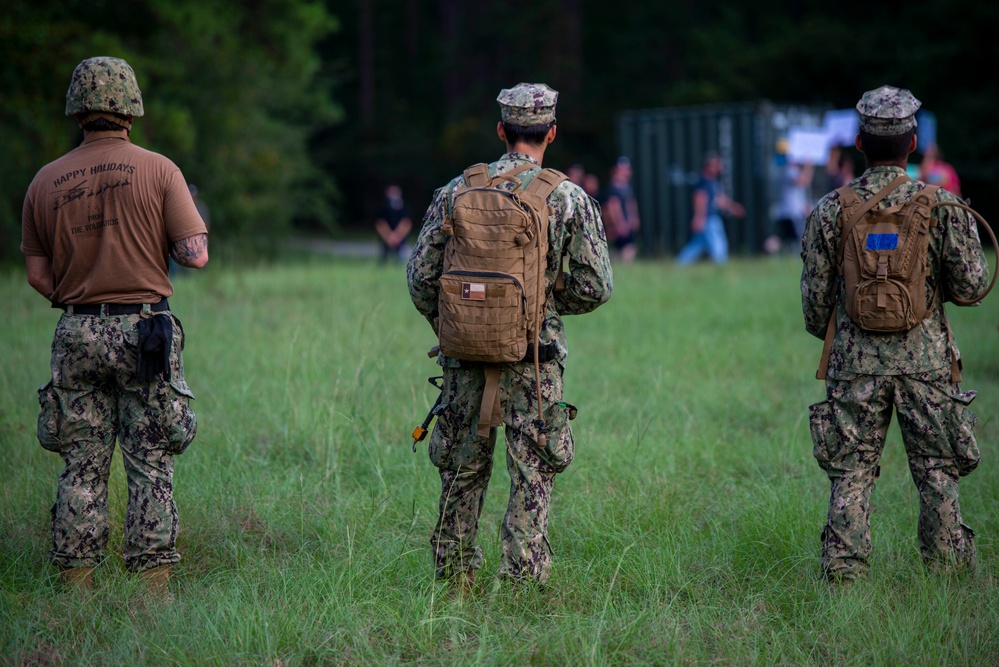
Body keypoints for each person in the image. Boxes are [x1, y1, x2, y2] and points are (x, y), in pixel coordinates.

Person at [407, 82, 613, 591]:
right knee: (532, 472)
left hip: (462, 356)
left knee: (461, 468)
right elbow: (596, 285)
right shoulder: (567, 197)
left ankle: (453, 581)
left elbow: (420, 279)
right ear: (552, 133)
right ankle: (523, 585)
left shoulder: (456, 189)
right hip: (534, 359)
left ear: (501, 131)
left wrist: (460, 320)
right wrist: (537, 305)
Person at [21, 56, 209, 595]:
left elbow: (37, 274)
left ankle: (77, 583)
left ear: (78, 110)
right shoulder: (161, 170)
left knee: (81, 462)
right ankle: (153, 587)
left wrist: (81, 298)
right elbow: (194, 256)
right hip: (143, 334)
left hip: (76, 333)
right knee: (150, 460)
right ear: (130, 108)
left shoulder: (45, 180)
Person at [800, 85, 989, 582]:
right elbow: (972, 286)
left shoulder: (829, 209)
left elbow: (814, 307)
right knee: (936, 472)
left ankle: (844, 573)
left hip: (854, 365)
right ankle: (948, 572)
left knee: (851, 472)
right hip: (926, 364)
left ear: (859, 142)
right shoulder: (943, 204)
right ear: (912, 144)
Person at [676, 151, 745, 265]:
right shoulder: (704, 182)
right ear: (709, 166)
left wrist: (732, 208)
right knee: (719, 245)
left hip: (710, 218)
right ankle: (721, 266)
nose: (720, 167)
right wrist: (699, 217)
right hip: (708, 219)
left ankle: (679, 265)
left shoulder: (713, 182)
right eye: (717, 164)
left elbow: (719, 200)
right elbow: (700, 198)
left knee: (696, 245)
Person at [767, 160, 814, 254]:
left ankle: (765, 251)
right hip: (792, 213)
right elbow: (803, 181)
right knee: (802, 236)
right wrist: (809, 166)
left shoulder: (791, 170)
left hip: (789, 212)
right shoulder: (790, 170)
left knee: (781, 238)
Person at [602, 156, 641, 263]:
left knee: (619, 248)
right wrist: (619, 223)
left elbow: (631, 203)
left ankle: (615, 266)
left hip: (626, 223)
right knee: (629, 247)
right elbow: (613, 207)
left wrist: (634, 217)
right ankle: (624, 266)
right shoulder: (613, 187)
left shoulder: (626, 187)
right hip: (620, 224)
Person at [374, 184, 413, 264]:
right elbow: (380, 223)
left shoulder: (405, 207)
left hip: (400, 237)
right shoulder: (383, 207)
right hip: (386, 237)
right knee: (384, 257)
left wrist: (397, 236)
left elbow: (406, 223)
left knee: (400, 257)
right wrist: (388, 236)